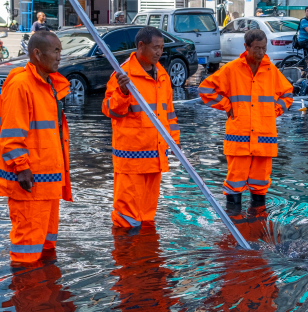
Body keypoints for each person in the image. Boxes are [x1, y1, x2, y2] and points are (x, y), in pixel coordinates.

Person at [0, 31, 71, 263]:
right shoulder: (21, 85)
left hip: (47, 182)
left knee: (46, 247)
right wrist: (22, 167)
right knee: (26, 252)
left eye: (60, 51)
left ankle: (45, 293)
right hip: (30, 184)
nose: (60, 56)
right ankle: (28, 294)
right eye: (55, 51)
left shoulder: (47, 85)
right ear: (37, 53)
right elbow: (11, 135)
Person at [198, 28, 293, 207]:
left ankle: (258, 225)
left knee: (261, 185)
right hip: (239, 138)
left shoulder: (271, 71)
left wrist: (274, 111)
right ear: (246, 47)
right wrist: (227, 105)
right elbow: (205, 89)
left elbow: (287, 94)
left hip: (264, 139)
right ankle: (234, 226)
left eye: (264, 48)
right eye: (257, 48)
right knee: (234, 184)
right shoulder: (231, 69)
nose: (261, 52)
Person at [102, 26, 179, 229]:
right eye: (155, 48)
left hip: (155, 160)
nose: (159, 52)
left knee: (147, 218)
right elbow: (110, 110)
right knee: (126, 220)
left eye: (162, 48)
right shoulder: (123, 75)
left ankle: (145, 256)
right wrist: (123, 92)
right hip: (131, 163)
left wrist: (174, 143)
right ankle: (126, 256)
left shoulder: (162, 75)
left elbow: (169, 113)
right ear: (140, 46)